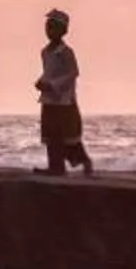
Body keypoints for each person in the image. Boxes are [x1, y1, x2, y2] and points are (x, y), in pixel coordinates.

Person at [37, 10, 93, 175]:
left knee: (68, 135)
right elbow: (49, 71)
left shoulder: (66, 52)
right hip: (49, 99)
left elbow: (73, 72)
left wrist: (54, 85)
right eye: (48, 27)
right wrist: (42, 82)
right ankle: (55, 166)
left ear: (63, 31)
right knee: (50, 134)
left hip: (64, 99)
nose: (49, 30)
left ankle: (84, 161)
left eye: (53, 27)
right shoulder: (45, 52)